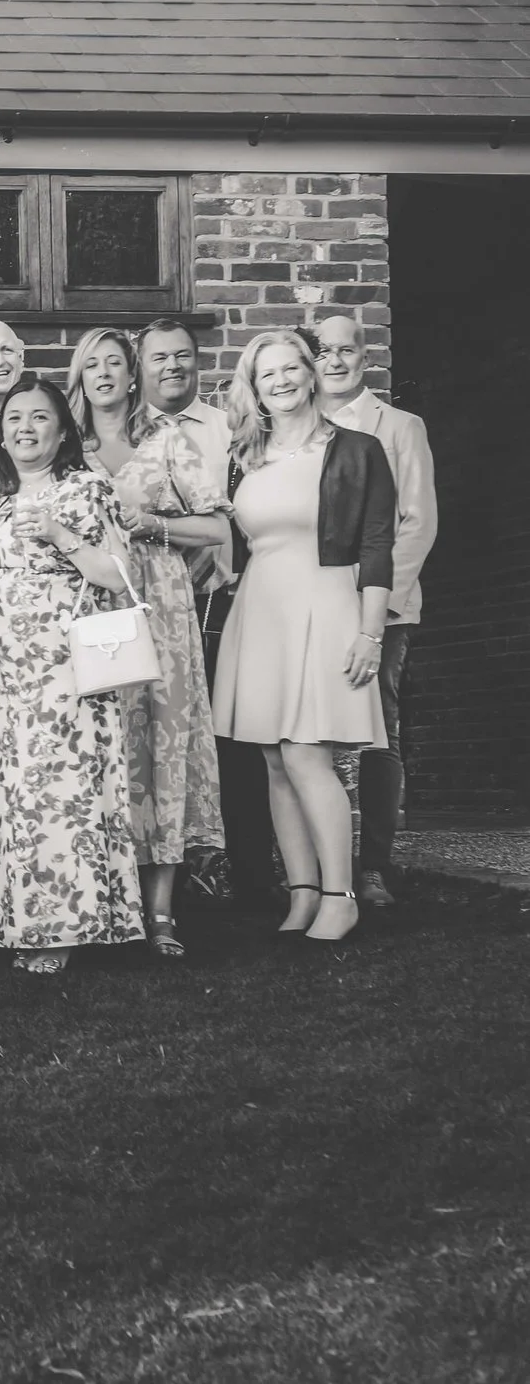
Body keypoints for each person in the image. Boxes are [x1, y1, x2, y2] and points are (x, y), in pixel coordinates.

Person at [211, 329, 395, 946]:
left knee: (306, 753)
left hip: (326, 601)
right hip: (261, 609)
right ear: (255, 388)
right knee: (272, 757)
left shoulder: (355, 448)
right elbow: (234, 543)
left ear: (312, 373)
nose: (282, 381)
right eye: (268, 375)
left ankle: (341, 897)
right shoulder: (247, 455)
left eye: (292, 368)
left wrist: (371, 631)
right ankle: (302, 893)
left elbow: (376, 544)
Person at [0, 375, 147, 974]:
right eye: (14, 417)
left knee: (61, 796)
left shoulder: (86, 488)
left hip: (66, 668)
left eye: (39, 417)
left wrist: (60, 535)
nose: (24, 427)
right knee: (16, 794)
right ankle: (17, 919)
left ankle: (64, 927)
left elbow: (119, 575)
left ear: (61, 428)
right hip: (7, 673)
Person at [68, 328, 227, 958]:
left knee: (159, 750)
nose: (104, 373)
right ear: (78, 379)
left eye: (115, 364)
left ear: (133, 377)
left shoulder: (165, 442)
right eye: (92, 366)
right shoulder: (65, 449)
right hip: (86, 615)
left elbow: (216, 526)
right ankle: (105, 903)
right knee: (103, 751)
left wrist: (153, 523)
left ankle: (160, 913)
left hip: (159, 610)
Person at [315, 310, 438, 910]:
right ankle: (315, 863)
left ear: (366, 358)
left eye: (346, 351)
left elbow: (417, 522)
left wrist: (376, 598)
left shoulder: (399, 427)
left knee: (376, 734)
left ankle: (375, 865)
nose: (334, 362)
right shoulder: (300, 429)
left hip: (381, 609)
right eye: (323, 352)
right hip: (315, 605)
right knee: (314, 736)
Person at [138, 317, 250, 908]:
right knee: (157, 737)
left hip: (221, 596)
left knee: (219, 739)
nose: (172, 367)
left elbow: (235, 515)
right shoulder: (130, 432)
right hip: (155, 605)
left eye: (182, 356)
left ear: (198, 360)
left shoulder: (226, 427)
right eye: (159, 358)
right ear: (142, 366)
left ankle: (227, 866)